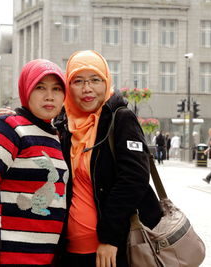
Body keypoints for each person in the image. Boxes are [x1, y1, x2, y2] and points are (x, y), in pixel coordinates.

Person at [53, 50, 162, 267]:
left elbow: (134, 179)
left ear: (107, 82)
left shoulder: (120, 119)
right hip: (69, 250)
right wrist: (12, 119)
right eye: (78, 81)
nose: (87, 89)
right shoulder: (63, 125)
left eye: (95, 80)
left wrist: (110, 238)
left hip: (112, 250)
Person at [0, 59, 68, 267]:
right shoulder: (7, 128)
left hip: (42, 258)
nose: (49, 95)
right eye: (40, 87)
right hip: (4, 258)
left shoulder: (55, 136)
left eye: (56, 89)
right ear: (26, 89)